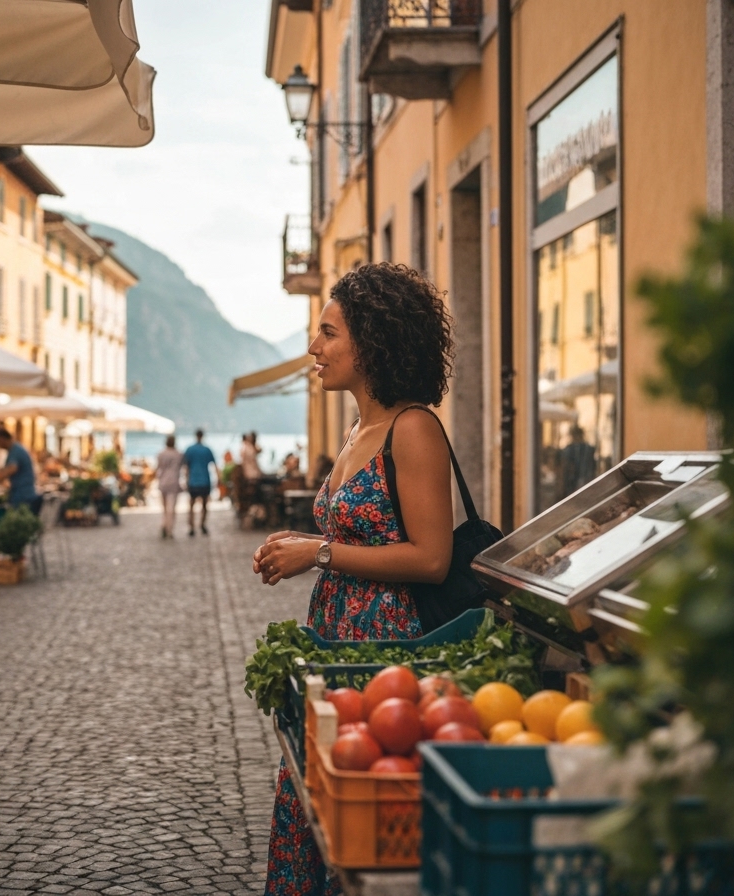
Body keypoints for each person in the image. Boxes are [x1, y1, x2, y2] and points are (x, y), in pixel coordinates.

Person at [251, 262, 454, 896]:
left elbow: (430, 558)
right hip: (337, 641)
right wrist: (305, 546)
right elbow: (350, 534)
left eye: (329, 332)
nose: (315, 348)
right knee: (317, 805)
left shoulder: (413, 428)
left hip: (385, 651)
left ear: (372, 341)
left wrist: (319, 554)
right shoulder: (357, 431)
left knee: (357, 820)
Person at [0, 427, 40, 511]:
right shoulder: (15, 450)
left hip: (23, 494)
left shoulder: (16, 451)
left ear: (2, 438)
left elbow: (12, 468)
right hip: (22, 493)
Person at [181, 429, 217, 537]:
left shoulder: (190, 449)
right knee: (205, 505)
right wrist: (219, 480)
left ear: (196, 436)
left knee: (191, 505)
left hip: (193, 481)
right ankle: (202, 524)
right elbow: (214, 466)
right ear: (203, 436)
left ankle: (191, 526)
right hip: (205, 480)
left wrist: (186, 480)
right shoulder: (207, 450)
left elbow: (186, 467)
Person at [155, 434, 184, 539]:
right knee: (172, 508)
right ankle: (169, 528)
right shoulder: (179, 454)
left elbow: (158, 468)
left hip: (163, 481)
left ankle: (164, 524)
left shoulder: (161, 454)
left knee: (164, 507)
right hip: (173, 482)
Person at [560, 424, 597, 497]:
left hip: (574, 484)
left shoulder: (569, 450)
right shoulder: (589, 449)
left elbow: (565, 468)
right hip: (585, 483)